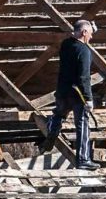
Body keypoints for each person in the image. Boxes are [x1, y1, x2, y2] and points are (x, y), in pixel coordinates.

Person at [40, 20, 100, 170]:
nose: (91, 38)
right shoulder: (84, 51)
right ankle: (83, 159)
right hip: (77, 94)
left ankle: (52, 130)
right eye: (90, 34)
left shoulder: (66, 45)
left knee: (58, 115)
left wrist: (90, 28)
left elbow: (76, 38)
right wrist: (88, 99)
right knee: (83, 125)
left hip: (62, 91)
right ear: (84, 32)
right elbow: (84, 77)